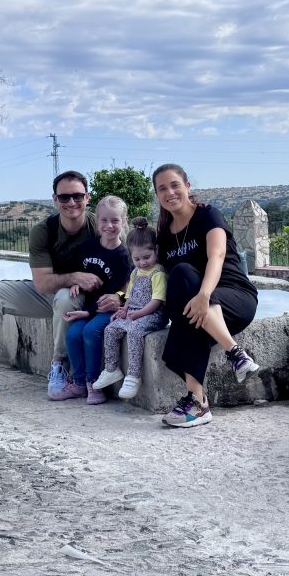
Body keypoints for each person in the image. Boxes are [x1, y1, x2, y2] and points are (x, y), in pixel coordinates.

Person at [0, 170, 115, 399]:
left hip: (86, 299)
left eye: (78, 196)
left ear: (87, 198)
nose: (71, 202)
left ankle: (59, 366)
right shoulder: (43, 231)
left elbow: (128, 264)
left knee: (65, 297)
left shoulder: (100, 226)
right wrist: (75, 277)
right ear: (55, 199)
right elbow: (41, 283)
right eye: (64, 197)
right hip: (51, 293)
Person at [152, 163, 260, 429]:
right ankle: (201, 398)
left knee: (187, 279)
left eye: (175, 185)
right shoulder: (165, 237)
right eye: (162, 188)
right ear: (157, 195)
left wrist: (204, 294)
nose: (170, 192)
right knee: (183, 291)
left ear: (187, 187)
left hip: (234, 296)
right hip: (196, 306)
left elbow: (217, 255)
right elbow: (154, 275)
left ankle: (229, 358)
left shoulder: (208, 215)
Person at [59, 196, 132, 405]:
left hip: (108, 309)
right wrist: (74, 281)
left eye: (115, 221)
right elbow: (75, 270)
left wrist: (88, 313)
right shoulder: (87, 247)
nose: (109, 226)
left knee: (91, 332)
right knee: (73, 334)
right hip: (89, 307)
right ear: (97, 221)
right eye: (104, 220)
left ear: (124, 222)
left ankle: (94, 384)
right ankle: (79, 383)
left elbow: (120, 293)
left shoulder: (124, 256)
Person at [92, 218, 167, 401]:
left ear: (155, 251)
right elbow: (130, 295)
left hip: (152, 315)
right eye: (137, 259)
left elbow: (157, 300)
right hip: (134, 312)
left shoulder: (158, 273)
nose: (142, 263)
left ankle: (134, 376)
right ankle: (112, 369)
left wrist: (139, 314)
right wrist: (124, 310)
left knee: (134, 332)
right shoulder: (135, 273)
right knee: (111, 329)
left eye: (146, 257)